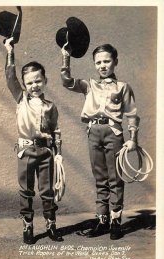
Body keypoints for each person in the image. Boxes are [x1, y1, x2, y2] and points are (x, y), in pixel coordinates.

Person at [60, 42, 139, 240]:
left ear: (115, 62)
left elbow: (132, 114)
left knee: (115, 177)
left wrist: (133, 140)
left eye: (107, 61)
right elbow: (67, 81)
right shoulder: (89, 85)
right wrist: (66, 57)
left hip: (113, 133)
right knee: (100, 178)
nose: (102, 65)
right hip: (93, 133)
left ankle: (115, 222)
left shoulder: (123, 87)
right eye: (98, 62)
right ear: (94, 64)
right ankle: (102, 221)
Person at [4, 37, 63, 244]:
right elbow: (11, 77)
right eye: (29, 82)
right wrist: (10, 51)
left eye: (38, 81)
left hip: (46, 154)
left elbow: (56, 131)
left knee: (47, 191)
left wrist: (59, 155)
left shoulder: (50, 106)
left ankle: (51, 225)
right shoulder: (21, 100)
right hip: (26, 153)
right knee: (26, 190)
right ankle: (28, 226)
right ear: (24, 85)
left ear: (45, 80)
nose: (34, 85)